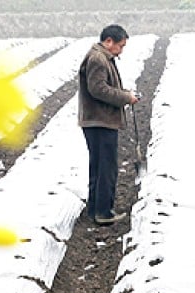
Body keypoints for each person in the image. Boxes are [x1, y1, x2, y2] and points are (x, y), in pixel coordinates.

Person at [78, 24, 139, 225]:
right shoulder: (98, 59)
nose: (121, 50)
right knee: (106, 167)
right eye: (120, 46)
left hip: (98, 121)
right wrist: (125, 97)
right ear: (109, 41)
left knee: (99, 166)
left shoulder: (101, 56)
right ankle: (103, 212)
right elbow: (98, 89)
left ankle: (95, 210)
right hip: (100, 121)